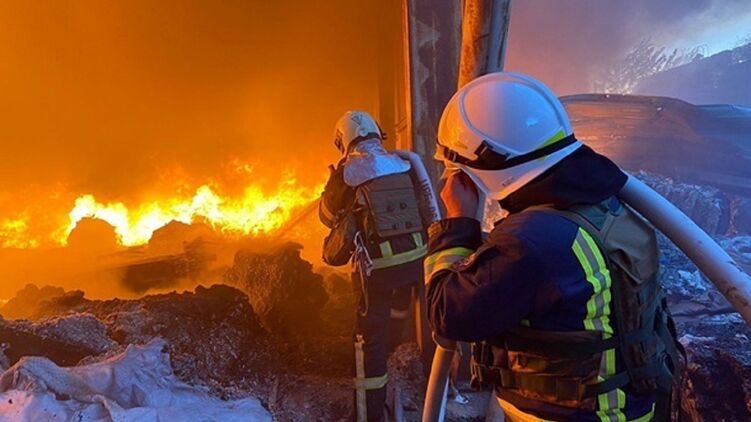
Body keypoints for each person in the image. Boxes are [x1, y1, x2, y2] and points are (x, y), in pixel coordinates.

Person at [424, 72, 682, 422]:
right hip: (627, 409)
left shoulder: (532, 241)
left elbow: (448, 315)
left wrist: (458, 221)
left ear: (480, 166)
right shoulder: (597, 199)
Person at [319, 110, 435, 422]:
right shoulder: (403, 162)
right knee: (404, 307)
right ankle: (405, 356)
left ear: (343, 140)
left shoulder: (347, 173)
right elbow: (426, 205)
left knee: (367, 341)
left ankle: (368, 413)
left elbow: (327, 218)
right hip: (417, 260)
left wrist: (332, 180)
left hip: (377, 268)